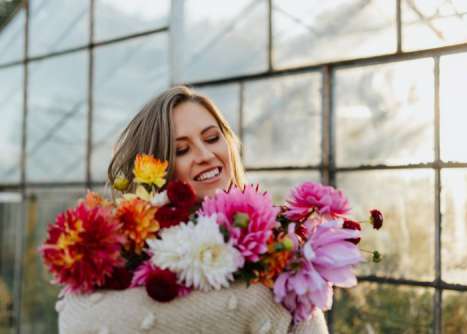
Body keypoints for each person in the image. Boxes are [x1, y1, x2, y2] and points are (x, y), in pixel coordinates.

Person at [58, 86, 328, 334]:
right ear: (157, 166)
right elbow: (78, 317)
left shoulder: (279, 237)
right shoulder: (129, 244)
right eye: (182, 149)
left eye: (212, 138)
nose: (205, 155)